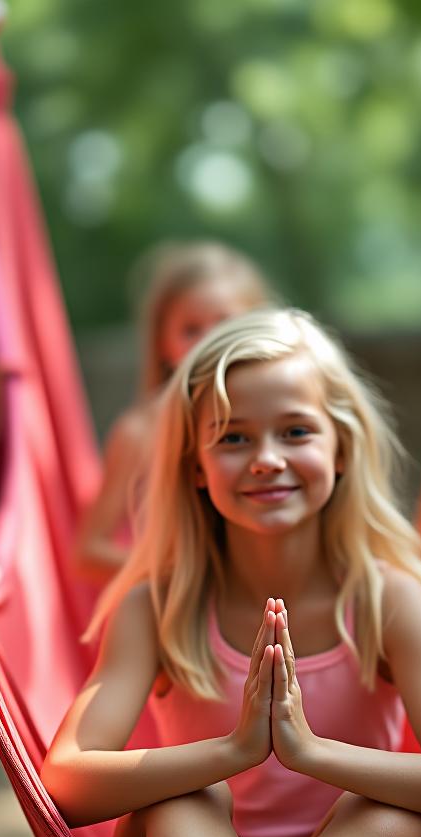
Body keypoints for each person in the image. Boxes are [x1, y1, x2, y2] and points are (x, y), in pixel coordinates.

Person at [43, 309, 421, 837]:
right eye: (232, 438)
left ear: (342, 448)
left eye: (295, 431)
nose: (266, 458)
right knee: (188, 794)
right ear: (195, 466)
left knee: (394, 814)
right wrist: (232, 751)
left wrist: (309, 753)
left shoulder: (389, 602)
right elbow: (66, 782)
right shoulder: (156, 606)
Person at [73, 241, 272, 582]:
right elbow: (88, 551)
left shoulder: (278, 414)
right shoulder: (141, 431)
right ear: (163, 343)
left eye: (224, 324)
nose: (209, 342)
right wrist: (182, 576)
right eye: (190, 330)